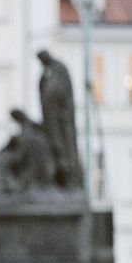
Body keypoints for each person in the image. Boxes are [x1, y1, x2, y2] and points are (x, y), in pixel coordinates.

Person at [37, 49, 83, 188]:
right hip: (54, 120)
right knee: (57, 146)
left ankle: (71, 178)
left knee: (65, 147)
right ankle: (64, 177)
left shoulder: (59, 69)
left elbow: (54, 92)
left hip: (62, 119)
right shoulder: (49, 73)